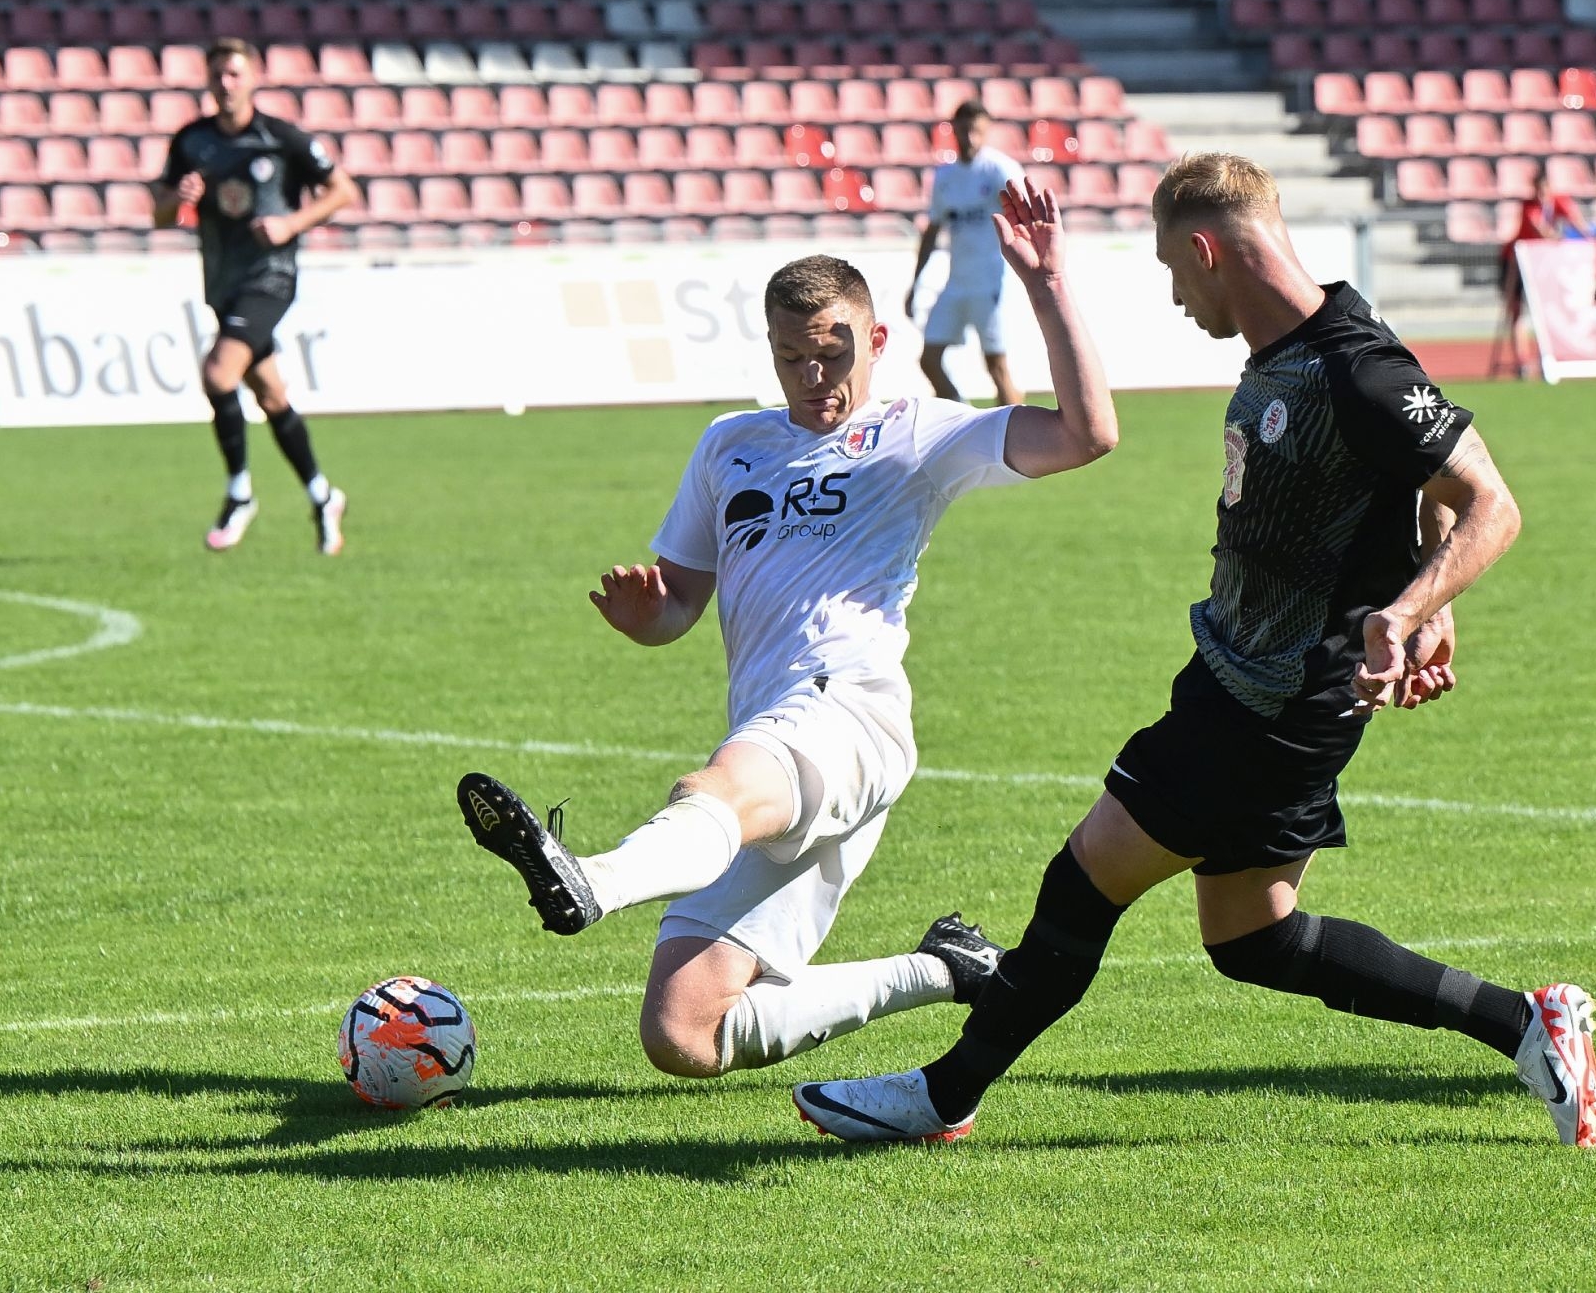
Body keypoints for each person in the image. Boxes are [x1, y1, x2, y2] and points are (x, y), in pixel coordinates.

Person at [793, 154, 1596, 1150]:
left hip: (1271, 703)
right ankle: (1528, 1024)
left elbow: (1490, 502)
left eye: (1174, 272)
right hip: (1252, 680)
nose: (1178, 296)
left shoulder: (1358, 366)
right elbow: (1431, 500)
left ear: (1207, 248)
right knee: (1255, 938)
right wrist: (1427, 598)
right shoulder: (1298, 351)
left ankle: (943, 1093)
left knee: (1087, 875)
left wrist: (1413, 610)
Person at [457, 182, 1118, 1082]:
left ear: (876, 342)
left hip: (846, 713)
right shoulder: (730, 445)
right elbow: (682, 602)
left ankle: (595, 881)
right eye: (791, 358)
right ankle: (946, 967)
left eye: (831, 353)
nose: (814, 379)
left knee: (718, 788)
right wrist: (648, 617)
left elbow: (1088, 434)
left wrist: (1046, 286)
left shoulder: (916, 433)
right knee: (684, 1033)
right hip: (775, 730)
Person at [151, 38, 359, 554]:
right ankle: (323, 494)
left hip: (270, 278)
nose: (226, 83)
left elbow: (344, 190)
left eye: (235, 73)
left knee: (218, 374)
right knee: (270, 396)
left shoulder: (280, 138)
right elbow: (157, 211)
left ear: (253, 79)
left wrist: (293, 222)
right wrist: (178, 200)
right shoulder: (191, 141)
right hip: (222, 280)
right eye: (218, 73)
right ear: (207, 80)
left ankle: (239, 491)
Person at [905, 101, 1028, 406]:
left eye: (977, 131)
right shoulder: (945, 176)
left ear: (986, 131)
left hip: (990, 283)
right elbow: (933, 231)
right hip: (956, 283)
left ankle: (1018, 445)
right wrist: (915, 282)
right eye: (965, 130)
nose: (970, 138)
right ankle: (963, 417)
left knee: (996, 366)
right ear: (954, 129)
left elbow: (1025, 217)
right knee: (929, 360)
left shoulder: (1000, 169)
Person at [1493, 172, 1592, 379]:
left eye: (1544, 189)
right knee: (1517, 312)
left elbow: (1578, 223)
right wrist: (1561, 237)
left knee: (1546, 311)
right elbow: (1541, 231)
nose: (1541, 194)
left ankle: (1546, 355)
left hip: (1540, 265)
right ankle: (1522, 359)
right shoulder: (1529, 207)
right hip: (1515, 263)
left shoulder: (1557, 202)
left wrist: (1590, 242)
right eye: (1538, 190)